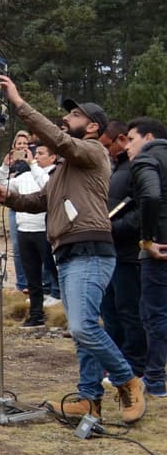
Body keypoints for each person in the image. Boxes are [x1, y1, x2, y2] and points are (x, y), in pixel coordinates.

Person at [0, 83, 145, 423]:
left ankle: (128, 381)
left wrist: (18, 103)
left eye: (74, 114)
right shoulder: (64, 169)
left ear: (92, 127)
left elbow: (58, 140)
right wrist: (9, 197)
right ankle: (89, 398)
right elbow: (41, 201)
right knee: (83, 331)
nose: (65, 117)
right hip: (69, 252)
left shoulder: (91, 151)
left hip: (89, 249)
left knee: (84, 327)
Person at [99, 120, 147, 375]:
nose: (105, 152)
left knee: (129, 311)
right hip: (110, 252)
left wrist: (112, 227)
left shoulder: (139, 170)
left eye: (107, 146)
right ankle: (115, 363)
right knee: (111, 311)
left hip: (129, 254)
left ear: (120, 140)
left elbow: (142, 213)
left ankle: (134, 365)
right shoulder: (116, 169)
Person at [127, 116, 167, 397]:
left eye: (131, 139)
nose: (127, 146)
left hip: (160, 250)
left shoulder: (146, 160)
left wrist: (147, 238)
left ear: (149, 138)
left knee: (154, 315)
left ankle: (154, 380)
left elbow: (151, 197)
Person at [11, 143, 58, 327]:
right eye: (35, 153)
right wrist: (6, 166)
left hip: (44, 231)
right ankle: (36, 314)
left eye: (41, 153)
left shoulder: (54, 174)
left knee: (54, 271)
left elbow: (47, 188)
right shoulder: (25, 175)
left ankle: (65, 308)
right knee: (32, 277)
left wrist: (32, 164)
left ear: (52, 157)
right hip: (24, 230)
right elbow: (5, 186)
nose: (35, 156)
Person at [0, 130, 34, 293]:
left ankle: (37, 281)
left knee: (35, 246)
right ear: (14, 146)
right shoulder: (9, 164)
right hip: (15, 207)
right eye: (19, 143)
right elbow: (2, 184)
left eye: (25, 143)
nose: (22, 146)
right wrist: (5, 166)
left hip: (34, 206)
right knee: (17, 245)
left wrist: (31, 162)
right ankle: (22, 282)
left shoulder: (35, 161)